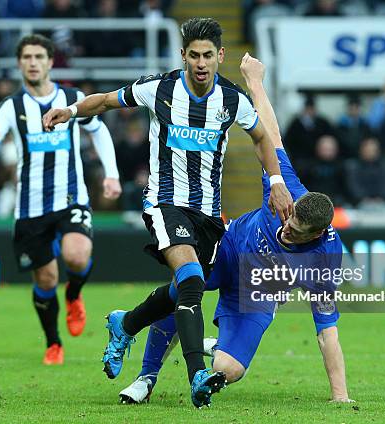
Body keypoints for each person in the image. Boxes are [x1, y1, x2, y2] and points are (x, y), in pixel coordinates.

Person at [43, 17, 293, 406]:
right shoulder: (158, 88)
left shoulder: (231, 100)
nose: (201, 63)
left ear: (220, 56)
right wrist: (72, 111)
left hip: (209, 215)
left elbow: (261, 137)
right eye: (193, 55)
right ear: (183, 55)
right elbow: (107, 100)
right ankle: (197, 374)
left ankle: (124, 323)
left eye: (208, 55)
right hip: (164, 203)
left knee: (182, 288)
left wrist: (276, 182)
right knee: (192, 279)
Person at [118, 53, 352, 406]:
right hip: (228, 249)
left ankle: (211, 347)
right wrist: (255, 82)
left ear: (317, 235)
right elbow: (270, 136)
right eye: (288, 220)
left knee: (230, 369)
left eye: (297, 232)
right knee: (186, 285)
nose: (286, 229)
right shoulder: (289, 193)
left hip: (257, 293)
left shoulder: (324, 259)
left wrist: (340, 396)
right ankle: (146, 378)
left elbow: (327, 331)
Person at [0, 34, 121, 365]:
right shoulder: (11, 107)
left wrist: (111, 173)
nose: (33, 62)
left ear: (51, 62)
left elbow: (97, 129)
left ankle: (74, 294)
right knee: (46, 278)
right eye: (27, 57)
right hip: (30, 206)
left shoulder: (72, 98)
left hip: (71, 196)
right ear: (19, 63)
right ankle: (53, 343)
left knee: (78, 256)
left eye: (39, 56)